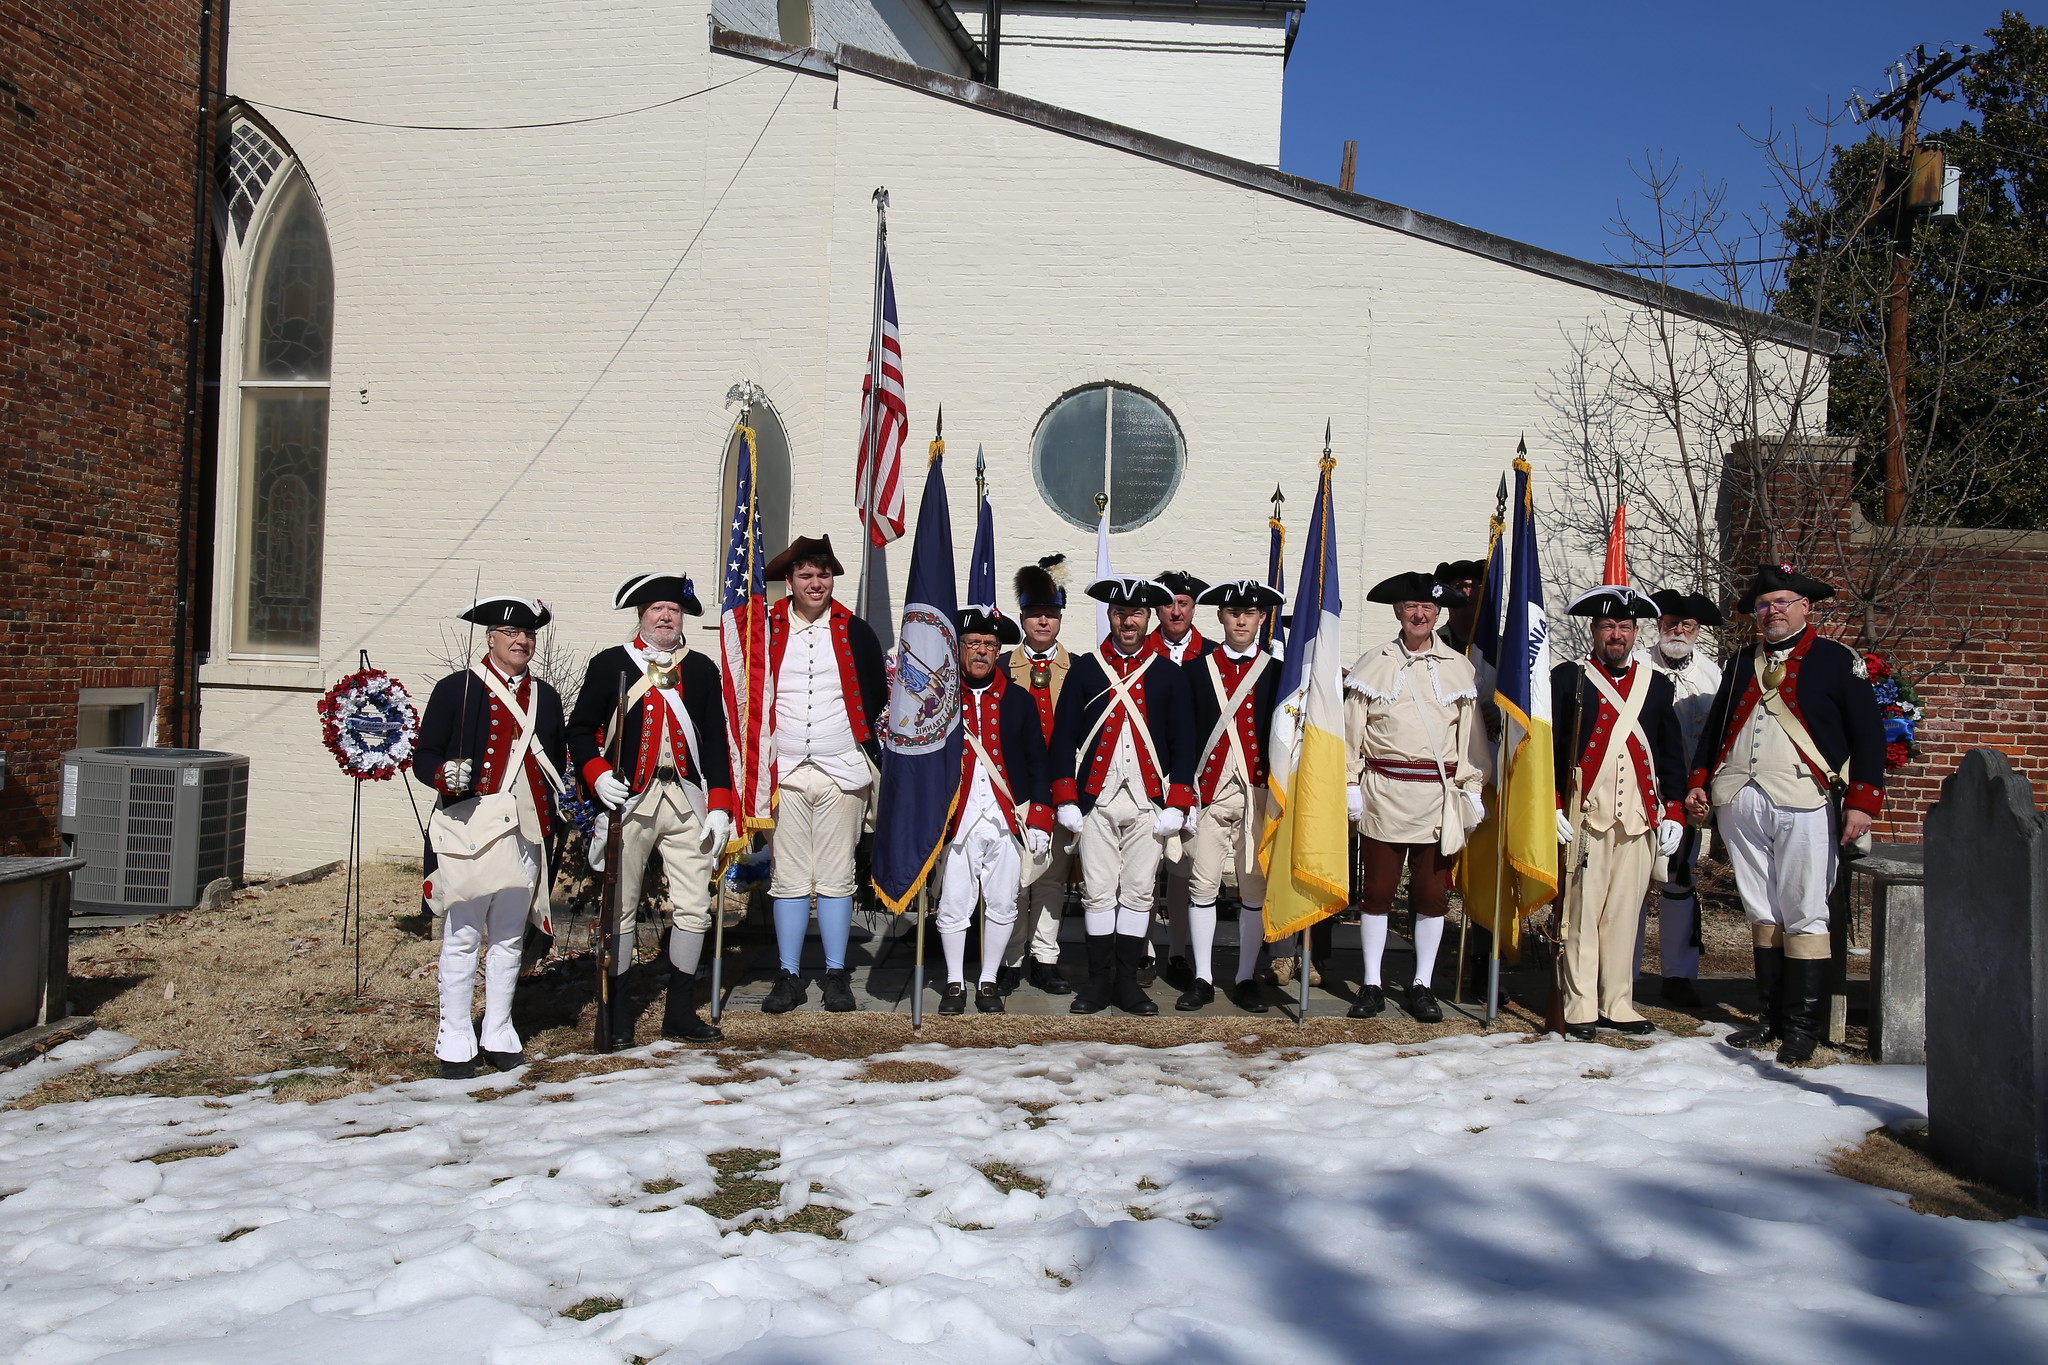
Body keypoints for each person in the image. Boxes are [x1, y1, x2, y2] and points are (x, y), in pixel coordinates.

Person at [1684, 564, 1885, 1064]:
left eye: (1782, 602)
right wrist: (1698, 781)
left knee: (1803, 909)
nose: (1772, 611)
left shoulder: (1838, 661)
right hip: (1738, 797)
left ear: (1804, 608)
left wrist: (1861, 801)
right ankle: (1771, 1017)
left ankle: (1803, 1027)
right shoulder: (1738, 663)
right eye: (1764, 604)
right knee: (1761, 908)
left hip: (1805, 797)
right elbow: (1716, 730)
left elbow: (1868, 733)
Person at [567, 573, 737, 1048]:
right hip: (632, 802)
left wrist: (721, 803)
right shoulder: (609, 665)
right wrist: (598, 773)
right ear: (640, 615)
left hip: (686, 800)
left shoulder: (700, 669)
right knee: (620, 910)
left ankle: (679, 1014)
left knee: (695, 908)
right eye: (657, 609)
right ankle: (617, 1016)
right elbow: (579, 731)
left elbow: (717, 742)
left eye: (674, 610)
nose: (666, 617)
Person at [414, 596, 568, 1079]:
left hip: (527, 832)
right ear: (491, 639)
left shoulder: (546, 696)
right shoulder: (456, 688)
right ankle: (455, 1034)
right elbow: (425, 759)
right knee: (462, 936)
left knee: (508, 937)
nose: (521, 641)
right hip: (472, 832)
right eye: (511, 634)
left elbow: (556, 762)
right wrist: (448, 775)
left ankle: (498, 1028)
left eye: (529, 635)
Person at [1049, 575, 1197, 1016]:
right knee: (1097, 892)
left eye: (1135, 613)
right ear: (1109, 617)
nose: (1127, 621)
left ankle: (1128, 983)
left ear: (1147, 617)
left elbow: (1184, 741)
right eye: (1119, 613)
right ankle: (1097, 983)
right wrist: (1065, 797)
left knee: (1137, 893)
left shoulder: (1168, 674)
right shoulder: (1087, 668)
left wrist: (1178, 802)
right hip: (1096, 798)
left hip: (1147, 799)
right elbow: (1063, 738)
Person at [1343, 572, 1487, 1022]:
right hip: (1384, 792)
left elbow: (1471, 738)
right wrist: (1350, 783)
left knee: (1431, 897)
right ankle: (1370, 983)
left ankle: (1422, 983)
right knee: (1377, 893)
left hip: (1437, 797)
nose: (1419, 615)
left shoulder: (1459, 668)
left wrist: (1473, 787)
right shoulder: (1373, 662)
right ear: (1397, 613)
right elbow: (1351, 732)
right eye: (1410, 608)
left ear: (1438, 613)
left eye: (1427, 608)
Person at [1551, 585, 1687, 1041]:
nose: (1616, 634)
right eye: (1608, 626)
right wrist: (1551, 804)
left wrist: (1674, 812)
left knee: (1625, 914)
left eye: (1625, 627)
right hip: (1586, 814)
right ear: (1593, 630)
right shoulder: (1567, 679)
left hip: (1639, 816)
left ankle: (1617, 1002)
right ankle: (1580, 1004)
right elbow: (1550, 750)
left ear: (1635, 633)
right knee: (1582, 912)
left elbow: (1670, 754)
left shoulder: (1657, 686)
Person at [759, 535, 888, 1014]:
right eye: (806, 575)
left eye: (824, 574)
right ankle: (788, 974)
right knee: (789, 876)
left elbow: (875, 698)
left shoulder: (857, 631)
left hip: (842, 770)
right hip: (785, 770)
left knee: (837, 875)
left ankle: (837, 974)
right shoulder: (765, 628)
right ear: (789, 582)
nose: (816, 583)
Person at [936, 606, 1054, 1015]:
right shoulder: (940, 698)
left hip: (1007, 817)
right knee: (954, 901)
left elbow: (1038, 760)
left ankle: (988, 980)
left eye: (990, 644)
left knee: (1004, 902)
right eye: (973, 644)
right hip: (958, 819)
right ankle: (954, 981)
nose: (982, 651)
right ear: (960, 648)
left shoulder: (1018, 700)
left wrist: (1041, 815)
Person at [1182, 579, 1284, 1012]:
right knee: (1202, 885)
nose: (1241, 620)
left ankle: (1244, 977)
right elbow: (1184, 737)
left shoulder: (1278, 674)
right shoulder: (1195, 670)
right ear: (1220, 617)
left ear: (1262, 619)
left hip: (1258, 794)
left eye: (1250, 613)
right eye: (1232, 612)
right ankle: (1202, 977)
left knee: (1252, 889)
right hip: (1209, 794)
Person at [1635, 588, 1725, 1007]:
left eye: (1687, 624)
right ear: (1658, 624)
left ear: (1697, 630)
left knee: (1679, 883)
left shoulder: (1712, 677)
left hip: (1687, 796)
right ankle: (1622, 971)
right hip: (1635, 792)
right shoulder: (1634, 666)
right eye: (1671, 622)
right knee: (1630, 886)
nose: (1678, 630)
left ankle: (1678, 975)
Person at [999, 556, 1076, 995]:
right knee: (1012, 877)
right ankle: (1010, 956)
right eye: (1034, 614)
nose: (1042, 622)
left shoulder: (1079, 668)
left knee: (1050, 876)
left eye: (1050, 614)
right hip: (1015, 788)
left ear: (1060, 619)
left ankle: (1045, 957)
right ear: (1022, 618)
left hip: (1060, 788)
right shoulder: (1002, 668)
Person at [1148, 570, 1210, 984]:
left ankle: (1177, 952)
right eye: (1168, 602)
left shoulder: (1212, 655)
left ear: (1193, 608)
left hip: (1195, 773)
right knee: (1143, 868)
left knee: (1185, 869)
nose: (1175, 610)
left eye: (1184, 602)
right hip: (1148, 772)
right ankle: (1145, 947)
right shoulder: (1138, 650)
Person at [1434, 559, 1486, 655]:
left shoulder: (1499, 646)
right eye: (1459, 587)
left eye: (1473, 587)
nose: (1467, 593)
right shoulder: (1433, 644)